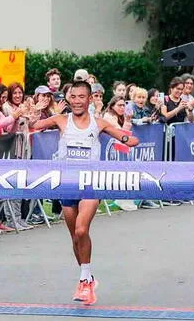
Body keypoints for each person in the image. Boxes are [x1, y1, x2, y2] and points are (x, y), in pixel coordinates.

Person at [31, 80, 139, 305]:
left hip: (91, 183)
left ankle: (85, 282)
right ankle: (87, 276)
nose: (77, 100)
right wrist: (35, 112)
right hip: (67, 184)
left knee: (81, 230)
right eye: (74, 96)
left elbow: (128, 139)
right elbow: (35, 126)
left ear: (90, 99)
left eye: (82, 96)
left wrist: (128, 137)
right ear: (68, 99)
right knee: (75, 237)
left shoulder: (98, 124)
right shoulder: (61, 119)